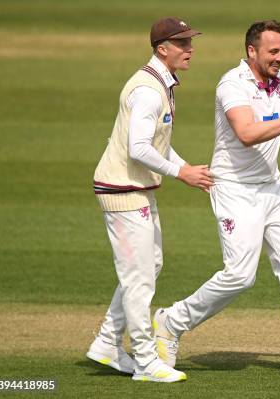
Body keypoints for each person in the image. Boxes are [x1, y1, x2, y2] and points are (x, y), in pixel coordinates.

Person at [152, 20, 280, 377]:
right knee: (240, 276)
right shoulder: (232, 84)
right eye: (273, 51)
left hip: (272, 188)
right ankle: (171, 322)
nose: (279, 57)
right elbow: (247, 134)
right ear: (252, 51)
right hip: (234, 189)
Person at [87, 17, 213, 383]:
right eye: (183, 44)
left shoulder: (161, 83)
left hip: (135, 188)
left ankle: (108, 342)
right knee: (139, 276)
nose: (191, 49)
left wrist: (186, 167)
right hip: (123, 191)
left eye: (190, 42)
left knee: (150, 265)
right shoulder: (148, 90)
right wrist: (180, 174)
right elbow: (138, 147)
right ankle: (145, 361)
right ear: (163, 48)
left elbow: (157, 141)